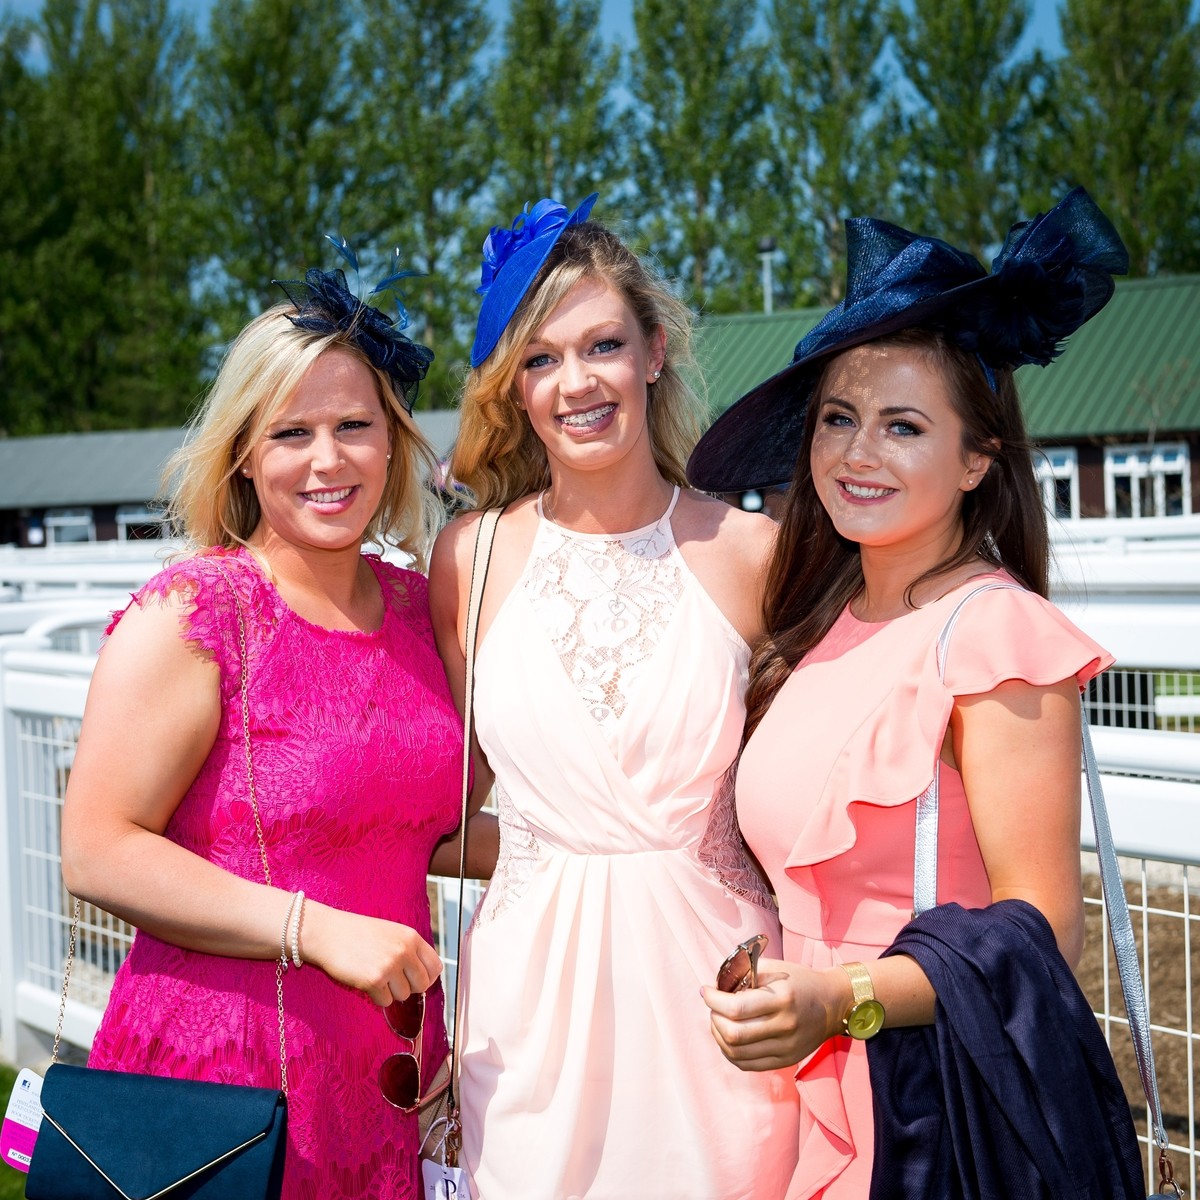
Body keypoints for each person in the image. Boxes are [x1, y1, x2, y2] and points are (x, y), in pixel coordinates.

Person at [691, 188, 1137, 1198]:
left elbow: (1043, 928)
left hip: (931, 1101)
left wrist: (840, 999)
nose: (858, 452)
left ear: (979, 458)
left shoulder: (997, 634)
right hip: (799, 1084)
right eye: (840, 418)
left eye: (903, 426)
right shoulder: (819, 625)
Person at [61, 256, 474, 1200]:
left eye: (354, 427)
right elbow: (95, 850)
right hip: (221, 1080)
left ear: (393, 441)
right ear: (246, 452)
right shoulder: (198, 611)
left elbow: (419, 826)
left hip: (389, 1073)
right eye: (292, 432)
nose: (327, 461)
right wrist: (314, 927)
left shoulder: (421, 610)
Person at [429, 194, 799, 1198]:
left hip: (718, 995)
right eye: (541, 359)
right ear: (514, 389)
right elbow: (447, 814)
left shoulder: (752, 554)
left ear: (654, 350)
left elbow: (800, 800)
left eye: (601, 346)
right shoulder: (470, 557)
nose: (575, 382)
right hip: (527, 1016)